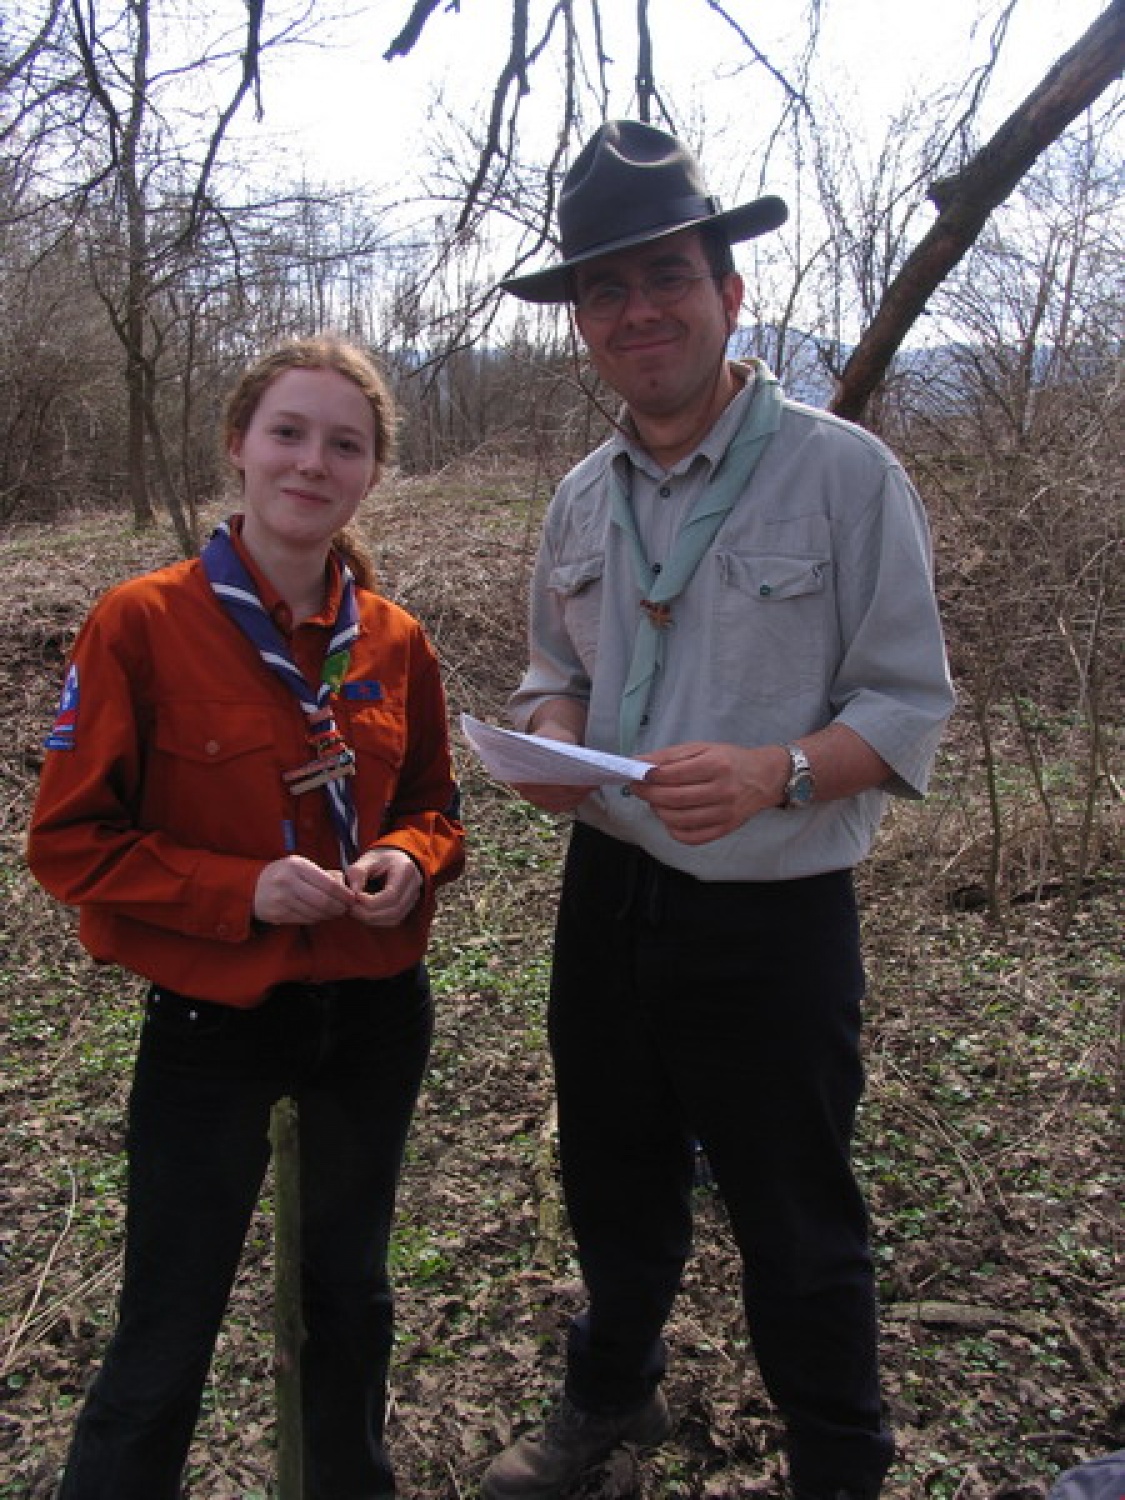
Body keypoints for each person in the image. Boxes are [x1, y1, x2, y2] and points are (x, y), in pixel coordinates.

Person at [481, 121, 954, 1500]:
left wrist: (778, 771)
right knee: (612, 1185)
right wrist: (555, 730)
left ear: (728, 291)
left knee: (797, 1223)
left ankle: (838, 1466)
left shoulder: (845, 474)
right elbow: (550, 668)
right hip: (609, 898)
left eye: (668, 276)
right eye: (607, 290)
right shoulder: (579, 498)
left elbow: (908, 703)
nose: (640, 312)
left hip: (773, 915)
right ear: (581, 323)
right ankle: (609, 1399)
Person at [27, 335, 465, 1500]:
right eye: (289, 433)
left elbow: (435, 806)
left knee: (351, 1301)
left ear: (372, 473)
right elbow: (67, 843)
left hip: (373, 1014)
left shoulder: (397, 640)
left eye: (345, 444)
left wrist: (409, 861)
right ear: (237, 445)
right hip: (214, 1026)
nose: (312, 463)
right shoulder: (142, 624)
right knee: (167, 1326)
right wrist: (239, 892)